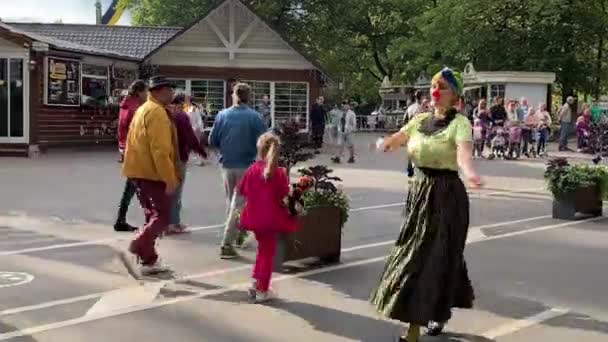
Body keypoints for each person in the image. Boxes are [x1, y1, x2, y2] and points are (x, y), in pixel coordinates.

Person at [370, 67, 480, 342]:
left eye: (442, 86)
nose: (436, 90)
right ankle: (431, 312)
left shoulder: (460, 124)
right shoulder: (419, 120)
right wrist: (384, 143)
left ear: (454, 94)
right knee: (420, 254)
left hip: (447, 196)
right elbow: (398, 139)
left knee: (430, 257)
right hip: (419, 194)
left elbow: (464, 154)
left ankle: (414, 328)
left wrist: (470, 173)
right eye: (434, 85)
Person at [118, 76, 179, 276]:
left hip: (137, 170)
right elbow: (160, 151)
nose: (173, 94)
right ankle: (139, 243)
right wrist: (169, 179)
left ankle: (149, 260)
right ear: (160, 91)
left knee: (150, 214)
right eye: (170, 89)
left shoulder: (143, 108)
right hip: (151, 172)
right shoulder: (157, 113)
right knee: (162, 216)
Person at [209, 83, 268, 259]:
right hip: (246, 165)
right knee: (240, 203)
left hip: (227, 164)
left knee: (232, 202)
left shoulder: (222, 115)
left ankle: (235, 236)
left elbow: (213, 139)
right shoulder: (254, 117)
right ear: (249, 97)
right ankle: (228, 243)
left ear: (234, 95)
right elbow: (264, 141)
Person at [237, 132, 297, 303]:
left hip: (254, 217)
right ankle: (263, 288)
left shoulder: (252, 169)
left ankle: (256, 282)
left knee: (262, 250)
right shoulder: (278, 173)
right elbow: (284, 195)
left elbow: (241, 191)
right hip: (271, 219)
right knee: (267, 254)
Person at [166, 94, 208, 234]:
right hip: (179, 158)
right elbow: (190, 137)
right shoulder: (181, 117)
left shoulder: (164, 114)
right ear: (181, 103)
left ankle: (166, 222)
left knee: (167, 191)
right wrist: (202, 152)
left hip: (165, 157)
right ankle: (173, 223)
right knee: (176, 192)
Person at [114, 80, 147, 232]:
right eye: (145, 91)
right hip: (134, 150)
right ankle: (121, 220)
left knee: (136, 185)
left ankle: (122, 219)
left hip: (126, 148)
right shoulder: (135, 108)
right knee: (134, 186)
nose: (147, 95)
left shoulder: (126, 105)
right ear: (140, 92)